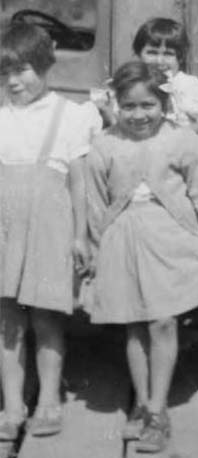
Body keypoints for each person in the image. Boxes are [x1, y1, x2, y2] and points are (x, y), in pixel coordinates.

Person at [86, 61, 198, 453]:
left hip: (171, 237)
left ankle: (158, 410)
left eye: (148, 105)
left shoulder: (182, 141)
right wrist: (96, 247)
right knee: (134, 324)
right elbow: (96, 201)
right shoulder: (106, 144)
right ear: (116, 104)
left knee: (163, 321)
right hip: (123, 238)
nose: (139, 115)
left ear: (163, 102)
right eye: (129, 106)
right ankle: (143, 403)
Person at [0, 23, 100, 441]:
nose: (12, 81)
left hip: (48, 227)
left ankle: (48, 401)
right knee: (6, 321)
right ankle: (12, 405)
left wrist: (80, 235)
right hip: (5, 228)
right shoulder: (2, 118)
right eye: (4, 72)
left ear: (44, 67)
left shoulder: (71, 116)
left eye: (21, 70)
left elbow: (79, 182)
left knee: (45, 318)